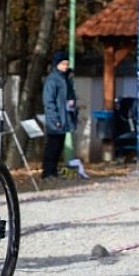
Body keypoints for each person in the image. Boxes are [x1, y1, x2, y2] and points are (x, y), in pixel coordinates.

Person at [41, 51, 77, 180]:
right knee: (52, 146)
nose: (65, 66)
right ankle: (47, 172)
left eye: (67, 63)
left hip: (65, 117)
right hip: (56, 118)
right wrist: (55, 118)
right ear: (57, 64)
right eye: (63, 64)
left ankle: (53, 171)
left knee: (58, 146)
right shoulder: (53, 80)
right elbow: (49, 101)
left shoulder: (66, 78)